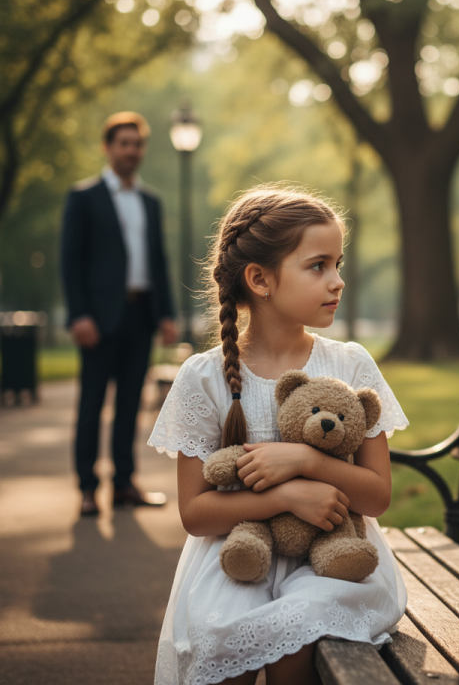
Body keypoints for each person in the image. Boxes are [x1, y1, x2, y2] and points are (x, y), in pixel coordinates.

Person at [148, 185, 408, 685]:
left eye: (338, 263)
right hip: (236, 556)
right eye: (318, 266)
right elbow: (196, 514)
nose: (338, 281)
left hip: (333, 565)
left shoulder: (349, 365)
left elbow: (376, 496)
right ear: (260, 279)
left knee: (301, 633)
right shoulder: (204, 378)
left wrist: (306, 462)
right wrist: (285, 496)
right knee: (219, 632)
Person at [61, 112, 177, 517]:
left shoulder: (150, 201)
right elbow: (70, 262)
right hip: (97, 319)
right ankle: (88, 489)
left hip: (140, 315)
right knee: (92, 404)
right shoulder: (84, 197)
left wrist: (166, 314)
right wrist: (78, 315)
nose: (132, 151)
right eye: (124, 143)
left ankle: (125, 483)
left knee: (130, 403)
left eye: (137, 144)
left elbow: (159, 262)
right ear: (108, 148)